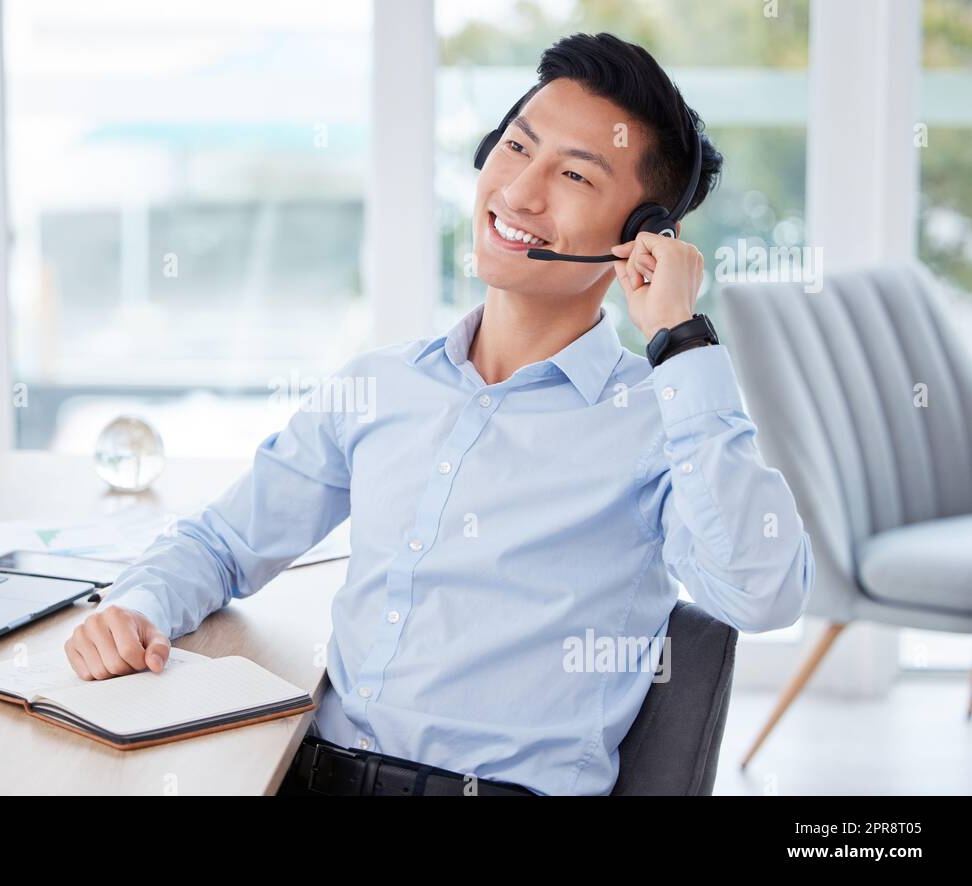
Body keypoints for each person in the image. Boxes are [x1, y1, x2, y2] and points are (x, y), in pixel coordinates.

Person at [64, 32, 814, 796]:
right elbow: (225, 540)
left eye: (574, 177)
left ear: (641, 237)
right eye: (517, 148)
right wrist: (137, 606)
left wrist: (681, 341)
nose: (521, 193)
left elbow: (763, 592)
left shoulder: (659, 424)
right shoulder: (383, 386)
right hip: (305, 775)